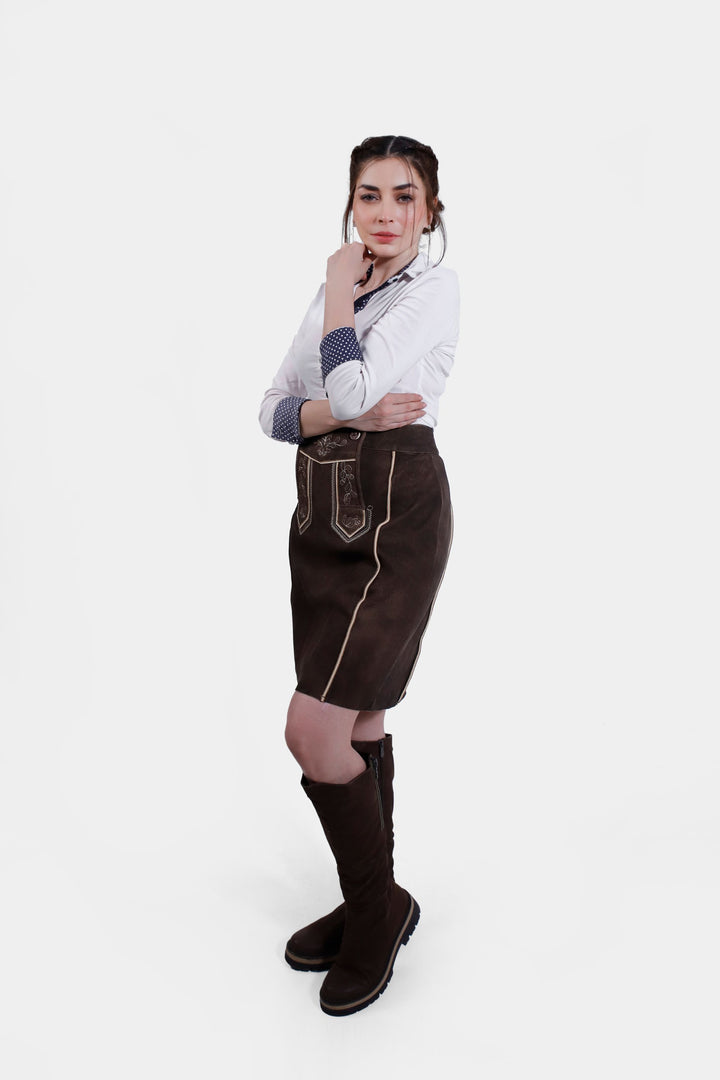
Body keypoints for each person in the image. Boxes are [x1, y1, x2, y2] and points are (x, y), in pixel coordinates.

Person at [258, 134, 460, 1016]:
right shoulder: (339, 293)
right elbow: (271, 411)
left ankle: (375, 913)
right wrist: (346, 404)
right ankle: (378, 900)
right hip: (324, 517)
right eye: (369, 195)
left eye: (403, 197)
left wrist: (340, 296)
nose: (383, 213)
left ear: (431, 209)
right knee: (359, 716)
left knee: (313, 728)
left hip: (396, 518)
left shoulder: (430, 288)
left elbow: (334, 401)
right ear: (351, 202)